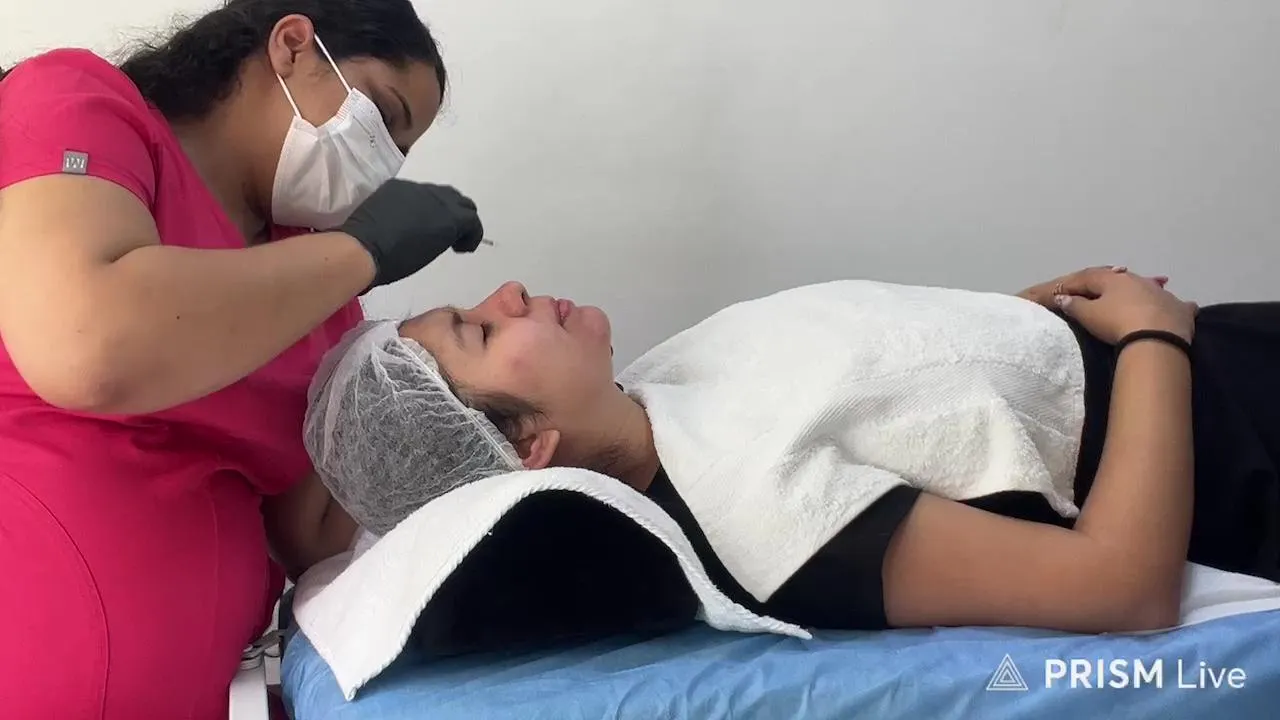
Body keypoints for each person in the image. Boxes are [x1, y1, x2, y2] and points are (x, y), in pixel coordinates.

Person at [304, 266, 1280, 643]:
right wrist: (1152, 337)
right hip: (1237, 434)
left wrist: (1011, 327)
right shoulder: (762, 520)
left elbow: (871, 384)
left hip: (1210, 357)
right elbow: (1119, 587)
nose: (509, 291)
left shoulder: (654, 389)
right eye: (480, 332)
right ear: (526, 447)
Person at [0, 1, 485, 716]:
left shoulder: (317, 288)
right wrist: (361, 250)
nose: (384, 164)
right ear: (292, 45)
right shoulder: (81, 105)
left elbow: (313, 533)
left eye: (401, 150)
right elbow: (85, 343)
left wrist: (478, 430)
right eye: (382, 114)